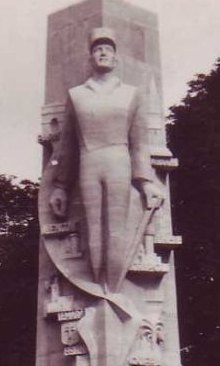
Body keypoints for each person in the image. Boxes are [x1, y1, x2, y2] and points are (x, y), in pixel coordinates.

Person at [46, 27, 166, 293]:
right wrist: (60, 186)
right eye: (97, 49)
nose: (102, 53)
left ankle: (112, 288)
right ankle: (98, 290)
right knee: (93, 229)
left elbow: (139, 143)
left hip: (119, 160)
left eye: (108, 49)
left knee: (116, 229)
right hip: (90, 160)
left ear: (115, 58)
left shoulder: (131, 94)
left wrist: (146, 182)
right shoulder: (77, 95)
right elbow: (67, 145)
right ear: (90, 57)